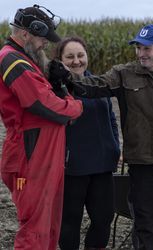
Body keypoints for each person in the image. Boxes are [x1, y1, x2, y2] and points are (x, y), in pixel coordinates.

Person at [69, 24, 153, 250]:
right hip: (142, 165)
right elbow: (95, 86)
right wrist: (65, 77)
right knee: (146, 226)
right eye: (138, 48)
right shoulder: (124, 74)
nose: (141, 53)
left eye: (147, 48)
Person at [0, 5, 83, 250]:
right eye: (42, 38)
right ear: (26, 33)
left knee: (49, 226)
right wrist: (74, 106)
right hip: (31, 152)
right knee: (35, 228)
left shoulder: (25, 59)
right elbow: (42, 104)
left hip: (43, 151)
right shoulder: (11, 59)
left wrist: (58, 85)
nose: (45, 44)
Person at [54, 37, 120, 250]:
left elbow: (110, 118)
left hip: (102, 166)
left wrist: (114, 147)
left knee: (104, 219)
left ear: (87, 57)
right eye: (70, 57)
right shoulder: (57, 89)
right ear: (60, 60)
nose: (76, 61)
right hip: (72, 168)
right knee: (69, 222)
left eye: (80, 55)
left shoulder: (98, 84)